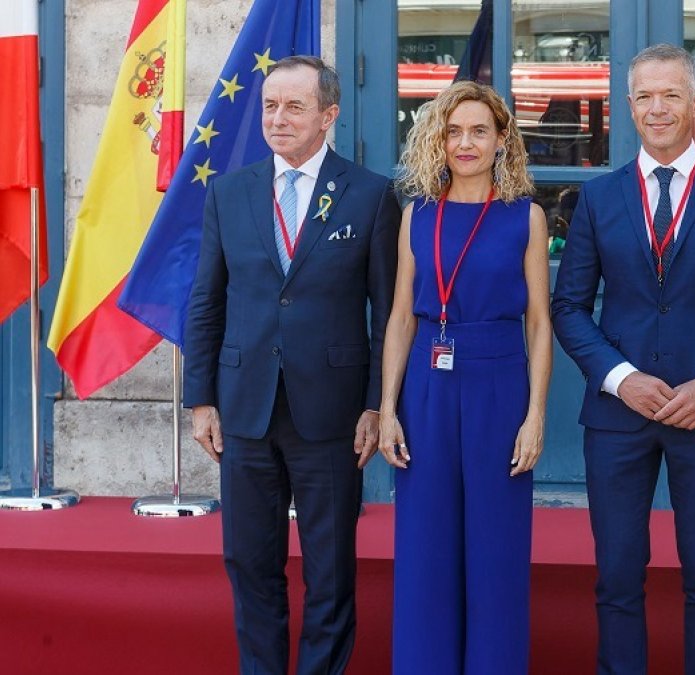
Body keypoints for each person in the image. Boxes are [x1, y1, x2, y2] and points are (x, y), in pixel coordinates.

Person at [551, 44, 695, 675]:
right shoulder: (596, 199)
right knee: (617, 576)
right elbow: (568, 307)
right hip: (617, 418)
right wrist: (620, 379)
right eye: (645, 97)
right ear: (628, 106)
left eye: (671, 95)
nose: (658, 109)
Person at [184, 56, 399, 674]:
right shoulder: (229, 191)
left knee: (330, 572)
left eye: (294, 106)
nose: (277, 118)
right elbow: (207, 299)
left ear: (329, 115)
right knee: (250, 565)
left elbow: (385, 313)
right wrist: (201, 398)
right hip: (244, 408)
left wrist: (375, 403)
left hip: (330, 415)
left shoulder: (371, 194)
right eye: (270, 106)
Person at [378, 80, 552, 675]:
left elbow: (539, 325)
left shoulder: (526, 218)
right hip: (426, 388)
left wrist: (535, 416)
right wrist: (388, 409)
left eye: (480, 130)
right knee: (425, 549)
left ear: (502, 139)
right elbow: (400, 316)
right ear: (438, 139)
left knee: (496, 550)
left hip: (499, 387)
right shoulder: (415, 216)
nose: (466, 142)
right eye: (454, 131)